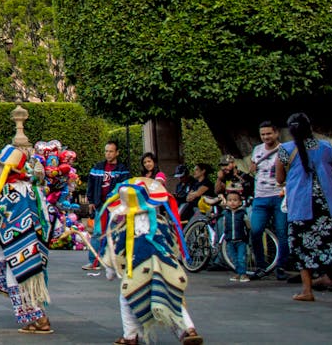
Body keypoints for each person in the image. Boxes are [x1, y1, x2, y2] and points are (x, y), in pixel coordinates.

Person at [98, 177, 203, 345]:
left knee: (127, 297)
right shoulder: (161, 222)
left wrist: (110, 270)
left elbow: (116, 252)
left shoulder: (125, 228)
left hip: (138, 267)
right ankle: (188, 329)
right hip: (165, 266)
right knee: (173, 295)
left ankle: (130, 335)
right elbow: (172, 244)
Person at [276, 112, 332, 303]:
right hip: (329, 206)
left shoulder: (284, 150)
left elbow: (279, 179)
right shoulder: (325, 147)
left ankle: (307, 291)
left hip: (301, 207)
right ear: (310, 127)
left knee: (303, 249)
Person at [0, 135, 53, 334]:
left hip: (20, 243)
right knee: (26, 280)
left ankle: (40, 319)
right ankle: (34, 319)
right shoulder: (31, 189)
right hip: (31, 241)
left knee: (17, 281)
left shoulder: (11, 192)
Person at [249, 120, 288, 280]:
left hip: (279, 195)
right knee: (256, 230)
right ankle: (261, 265)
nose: (266, 137)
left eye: (269, 133)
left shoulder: (284, 149)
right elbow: (253, 169)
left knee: (282, 232)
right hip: (260, 196)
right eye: (263, 134)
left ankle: (282, 266)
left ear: (276, 133)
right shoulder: (257, 150)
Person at [83, 141, 131, 270]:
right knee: (97, 233)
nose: (108, 154)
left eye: (110, 151)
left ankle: (115, 262)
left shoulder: (123, 169)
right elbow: (91, 185)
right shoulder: (98, 167)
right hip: (100, 206)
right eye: (106, 151)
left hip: (116, 207)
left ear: (117, 153)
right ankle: (94, 261)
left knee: (116, 233)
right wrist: (91, 201)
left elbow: (125, 187)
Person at [219, 192, 251, 282]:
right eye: (230, 200)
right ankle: (238, 273)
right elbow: (224, 225)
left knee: (241, 258)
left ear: (240, 202)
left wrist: (247, 235)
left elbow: (248, 225)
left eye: (235, 200)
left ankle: (243, 274)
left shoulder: (242, 213)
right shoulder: (226, 213)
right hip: (230, 239)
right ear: (227, 202)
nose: (232, 202)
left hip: (241, 239)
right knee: (234, 259)